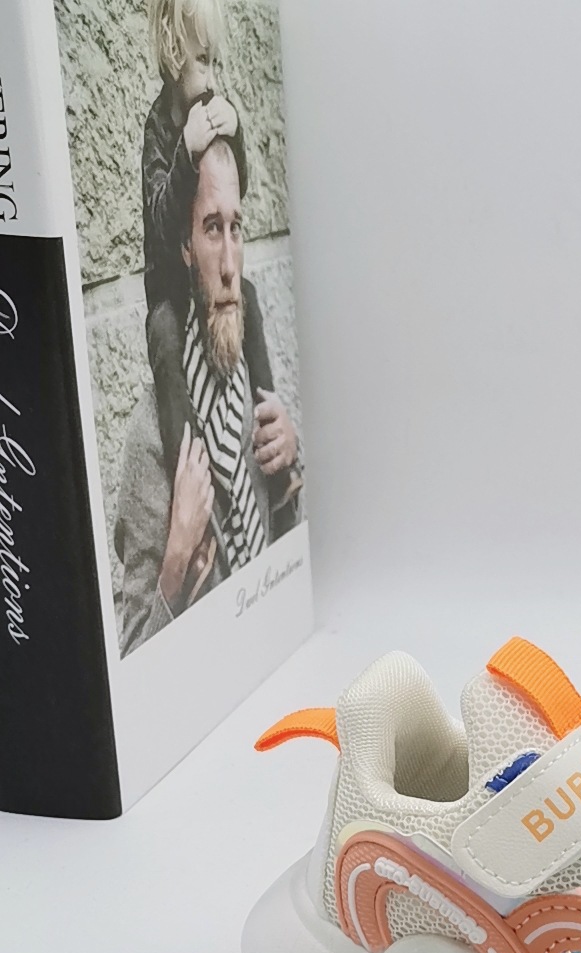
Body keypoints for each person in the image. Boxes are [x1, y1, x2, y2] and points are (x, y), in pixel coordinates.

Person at [117, 136, 302, 655]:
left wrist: (293, 465)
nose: (228, 266)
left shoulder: (259, 404)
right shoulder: (150, 439)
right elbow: (135, 654)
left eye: (235, 229)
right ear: (185, 247)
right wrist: (176, 558)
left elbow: (290, 572)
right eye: (212, 229)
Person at [141, 0, 289, 503]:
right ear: (173, 50)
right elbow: (163, 220)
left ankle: (272, 435)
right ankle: (193, 477)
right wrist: (184, 153)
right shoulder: (159, 131)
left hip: (206, 276)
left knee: (248, 294)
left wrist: (237, 131)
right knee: (164, 333)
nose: (212, 76)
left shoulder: (211, 106)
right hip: (171, 288)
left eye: (215, 61)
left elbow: (232, 187)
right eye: (203, 60)